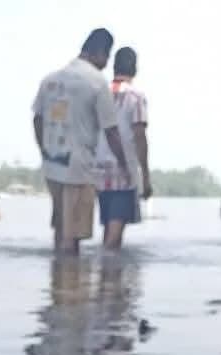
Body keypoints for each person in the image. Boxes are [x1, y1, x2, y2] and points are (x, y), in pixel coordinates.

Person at [33, 28, 132, 254]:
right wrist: (125, 166)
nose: (106, 64)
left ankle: (57, 275)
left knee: (60, 230)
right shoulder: (96, 83)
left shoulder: (50, 80)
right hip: (79, 168)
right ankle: (71, 276)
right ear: (99, 53)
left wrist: (44, 149)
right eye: (107, 56)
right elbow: (111, 132)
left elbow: (37, 119)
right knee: (72, 237)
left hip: (52, 165)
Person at [96, 46, 151, 249]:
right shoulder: (136, 97)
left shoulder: (100, 94)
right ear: (135, 68)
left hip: (98, 169)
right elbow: (139, 136)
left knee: (108, 228)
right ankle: (108, 267)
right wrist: (145, 175)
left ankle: (104, 269)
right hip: (123, 169)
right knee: (115, 235)